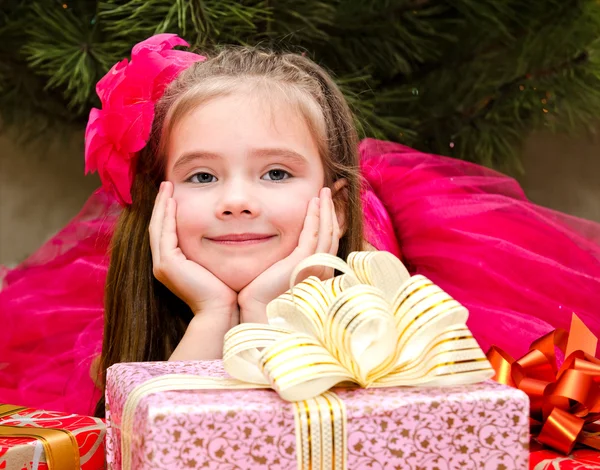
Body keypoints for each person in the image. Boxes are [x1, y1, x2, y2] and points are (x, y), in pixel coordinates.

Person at [1, 34, 599, 418]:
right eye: (203, 177)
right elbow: (165, 439)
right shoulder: (132, 331)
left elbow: (297, 436)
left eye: (277, 173)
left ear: (335, 207)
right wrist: (213, 314)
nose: (236, 201)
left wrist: (263, 308)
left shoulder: (380, 331)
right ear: (159, 203)